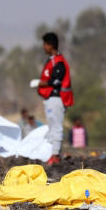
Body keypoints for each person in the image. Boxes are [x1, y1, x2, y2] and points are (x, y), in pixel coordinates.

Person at [31, 32, 73, 165]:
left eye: (44, 44)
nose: (43, 47)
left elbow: (56, 81)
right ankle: (55, 154)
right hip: (50, 98)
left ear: (50, 45)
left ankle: (55, 156)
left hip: (57, 99)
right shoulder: (52, 60)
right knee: (52, 127)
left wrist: (39, 83)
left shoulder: (58, 62)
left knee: (56, 127)